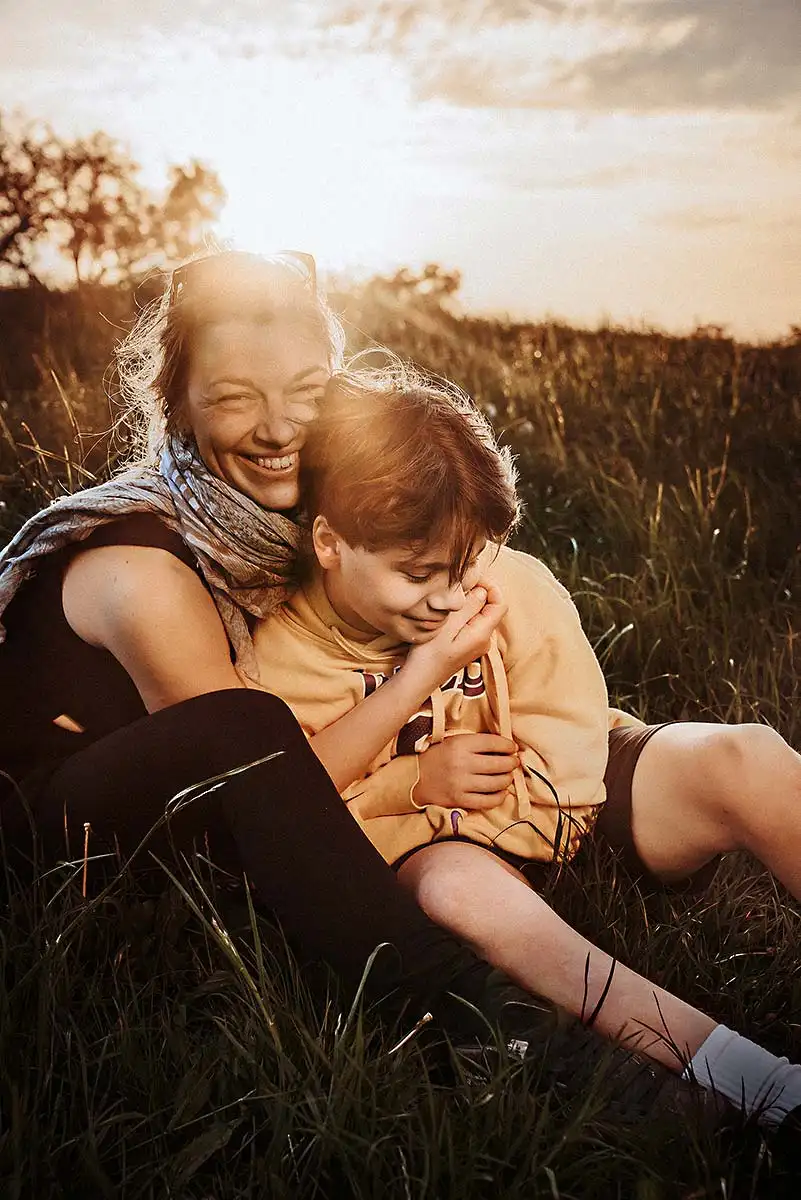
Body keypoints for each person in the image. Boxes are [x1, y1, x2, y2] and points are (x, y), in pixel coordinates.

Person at [0, 249, 687, 1124]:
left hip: (186, 795)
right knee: (239, 725)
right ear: (175, 406)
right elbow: (264, 790)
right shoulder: (144, 569)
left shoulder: (277, 521)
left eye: (305, 390)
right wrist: (418, 712)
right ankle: (487, 1024)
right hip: (47, 820)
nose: (279, 426)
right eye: (234, 396)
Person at [251, 362, 801, 1129]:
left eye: (464, 565)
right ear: (330, 542)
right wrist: (410, 784)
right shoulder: (280, 660)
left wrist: (488, 814)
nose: (447, 597)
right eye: (415, 574)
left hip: (572, 796)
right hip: (444, 859)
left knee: (746, 755)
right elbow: (305, 833)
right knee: (456, 887)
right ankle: (758, 1080)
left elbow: (573, 753)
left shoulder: (512, 582)